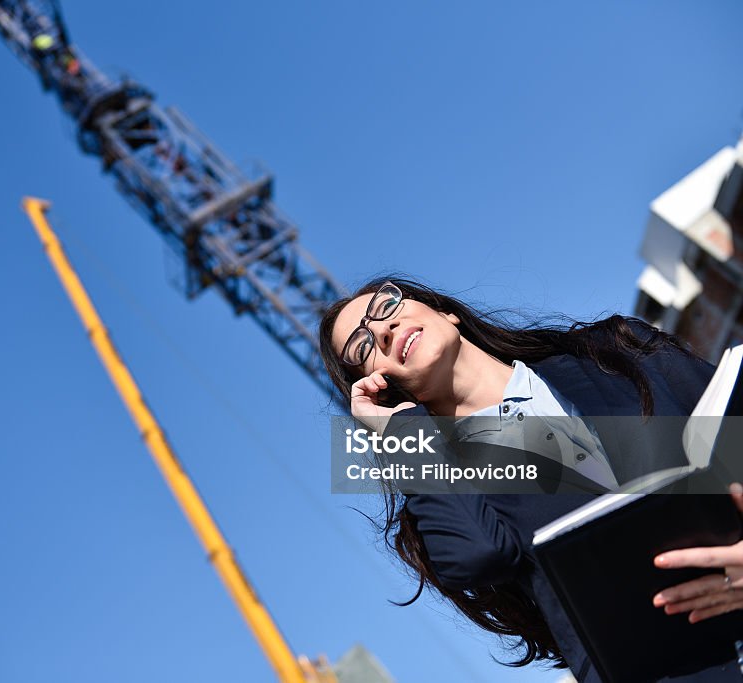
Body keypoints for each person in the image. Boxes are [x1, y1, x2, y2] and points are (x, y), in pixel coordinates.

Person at [318, 275, 743, 682]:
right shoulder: (449, 481)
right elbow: (478, 554)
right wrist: (403, 436)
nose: (383, 329)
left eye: (385, 305)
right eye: (362, 345)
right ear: (381, 386)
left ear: (444, 312)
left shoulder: (615, 350)